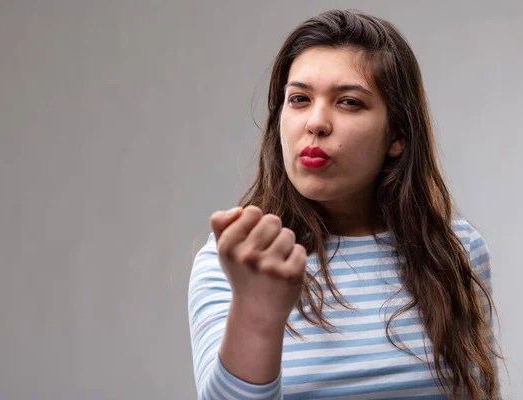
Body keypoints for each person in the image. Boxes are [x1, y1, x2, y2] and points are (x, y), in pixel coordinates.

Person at [188, 9, 501, 400]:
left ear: (397, 135)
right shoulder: (236, 261)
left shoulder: (456, 248)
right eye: (299, 99)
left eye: (349, 102)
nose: (316, 123)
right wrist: (257, 311)